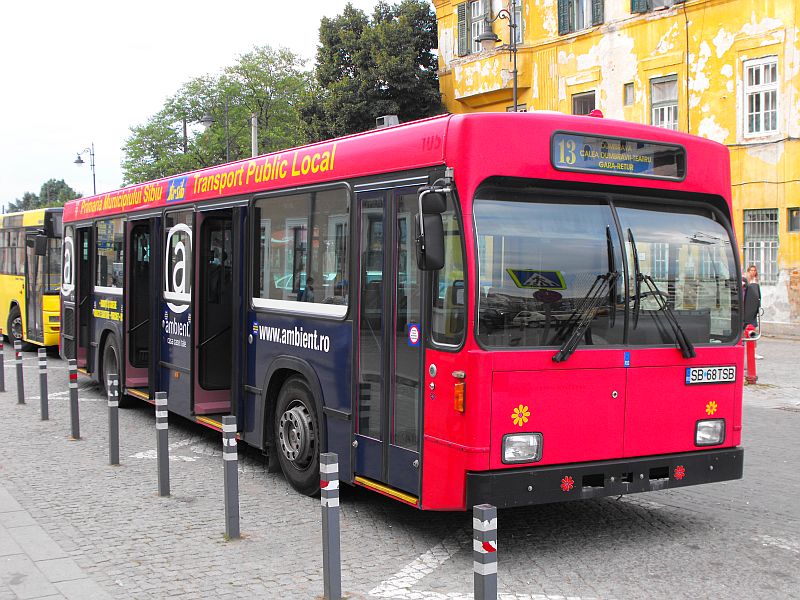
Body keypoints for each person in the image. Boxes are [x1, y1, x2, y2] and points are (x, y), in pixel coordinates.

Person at [743, 264, 763, 359]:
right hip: (746, 310)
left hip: (753, 309)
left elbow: (757, 296)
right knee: (744, 331)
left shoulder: (756, 281)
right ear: (748, 271)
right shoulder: (745, 281)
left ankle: (753, 351)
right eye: (751, 270)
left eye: (754, 270)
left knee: (753, 331)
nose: (753, 272)